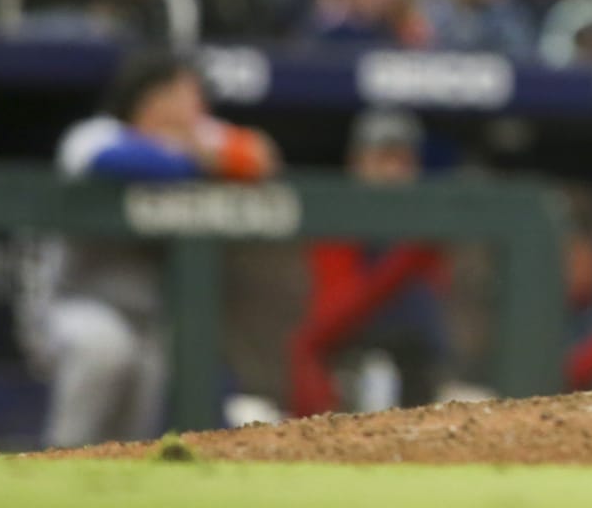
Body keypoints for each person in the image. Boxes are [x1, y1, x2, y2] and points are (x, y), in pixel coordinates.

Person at [29, 50, 279, 447]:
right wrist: (197, 159)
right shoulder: (94, 133)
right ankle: (53, 472)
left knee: (137, 422)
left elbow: (260, 157)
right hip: (74, 304)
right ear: (151, 98)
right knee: (105, 350)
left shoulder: (200, 135)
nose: (197, 105)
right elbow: (116, 161)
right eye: (185, 93)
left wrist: (200, 151)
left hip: (148, 318)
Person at [304, 109, 450, 409]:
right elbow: (327, 322)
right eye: (383, 159)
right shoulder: (335, 221)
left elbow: (435, 327)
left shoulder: (428, 223)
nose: (393, 172)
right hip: (344, 366)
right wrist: (401, 265)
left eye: (403, 161)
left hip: (417, 376)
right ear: (357, 164)